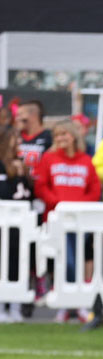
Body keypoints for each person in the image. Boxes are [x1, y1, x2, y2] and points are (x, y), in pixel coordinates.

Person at [34, 119, 101, 323]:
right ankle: (68, 305)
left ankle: (75, 305)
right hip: (56, 220)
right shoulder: (48, 158)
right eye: (57, 135)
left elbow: (95, 189)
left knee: (77, 261)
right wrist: (59, 204)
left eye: (64, 134)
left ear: (74, 136)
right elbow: (41, 186)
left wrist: (78, 206)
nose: (60, 139)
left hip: (80, 221)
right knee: (65, 262)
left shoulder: (85, 160)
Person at [0, 125, 30, 323]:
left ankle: (16, 306)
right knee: (2, 263)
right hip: (4, 222)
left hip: (22, 223)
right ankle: (2, 306)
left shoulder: (21, 165)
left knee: (19, 263)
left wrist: (21, 174)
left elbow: (27, 193)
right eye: (14, 139)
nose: (18, 142)